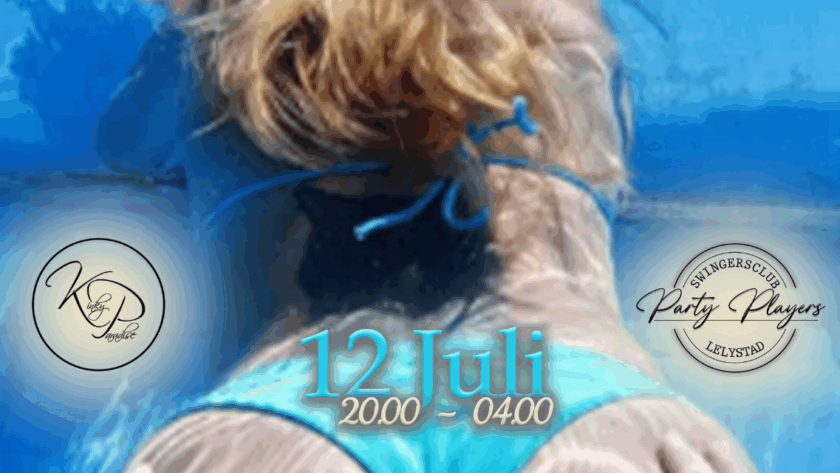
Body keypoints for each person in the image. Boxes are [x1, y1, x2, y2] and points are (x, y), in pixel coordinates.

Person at [111, 0, 758, 470]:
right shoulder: (573, 22)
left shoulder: (217, 22)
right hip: (575, 395)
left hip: (289, 408)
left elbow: (123, 143)